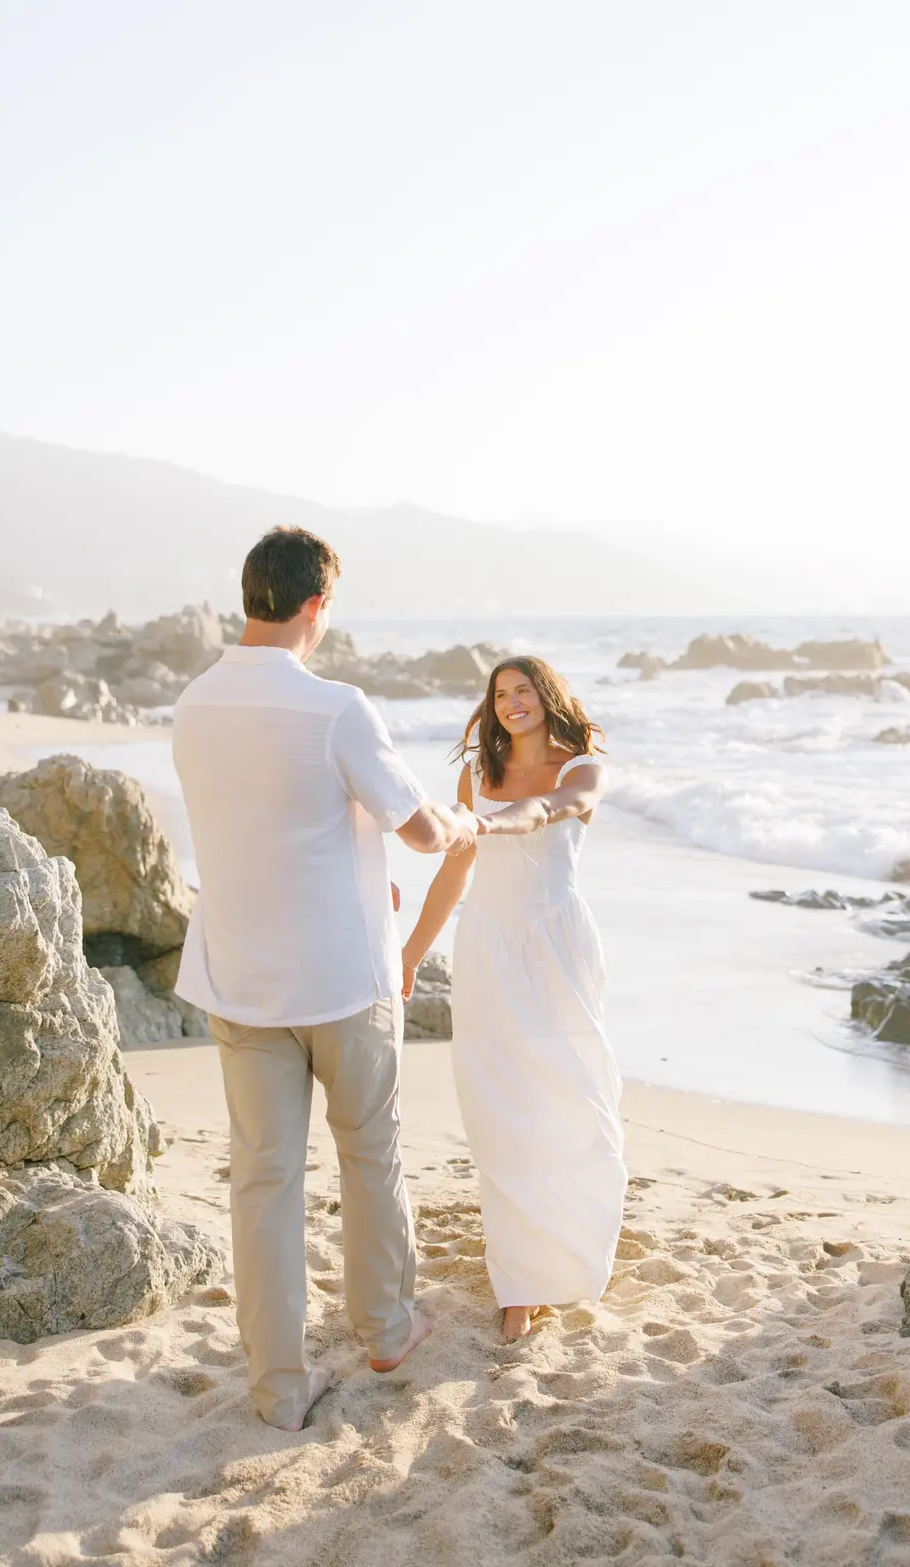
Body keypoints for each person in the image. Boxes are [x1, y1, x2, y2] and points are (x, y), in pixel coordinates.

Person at [172, 526, 478, 1431]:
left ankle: (277, 1388)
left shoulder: (193, 704)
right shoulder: (335, 706)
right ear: (316, 605)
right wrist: (459, 827)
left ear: (248, 596)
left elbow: (267, 824)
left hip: (242, 976)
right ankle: (385, 1327)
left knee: (263, 1182)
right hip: (344, 977)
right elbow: (418, 829)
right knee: (369, 1154)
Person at [400, 656, 627, 1342]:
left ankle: (568, 1249)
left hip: (556, 950)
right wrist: (409, 956)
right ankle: (520, 1283)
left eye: (523, 690)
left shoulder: (579, 767)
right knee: (501, 1107)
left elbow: (551, 811)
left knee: (569, 1098)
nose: (510, 703)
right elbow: (454, 872)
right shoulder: (476, 772)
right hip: (487, 948)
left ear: (547, 696)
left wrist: (490, 824)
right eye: (499, 694)